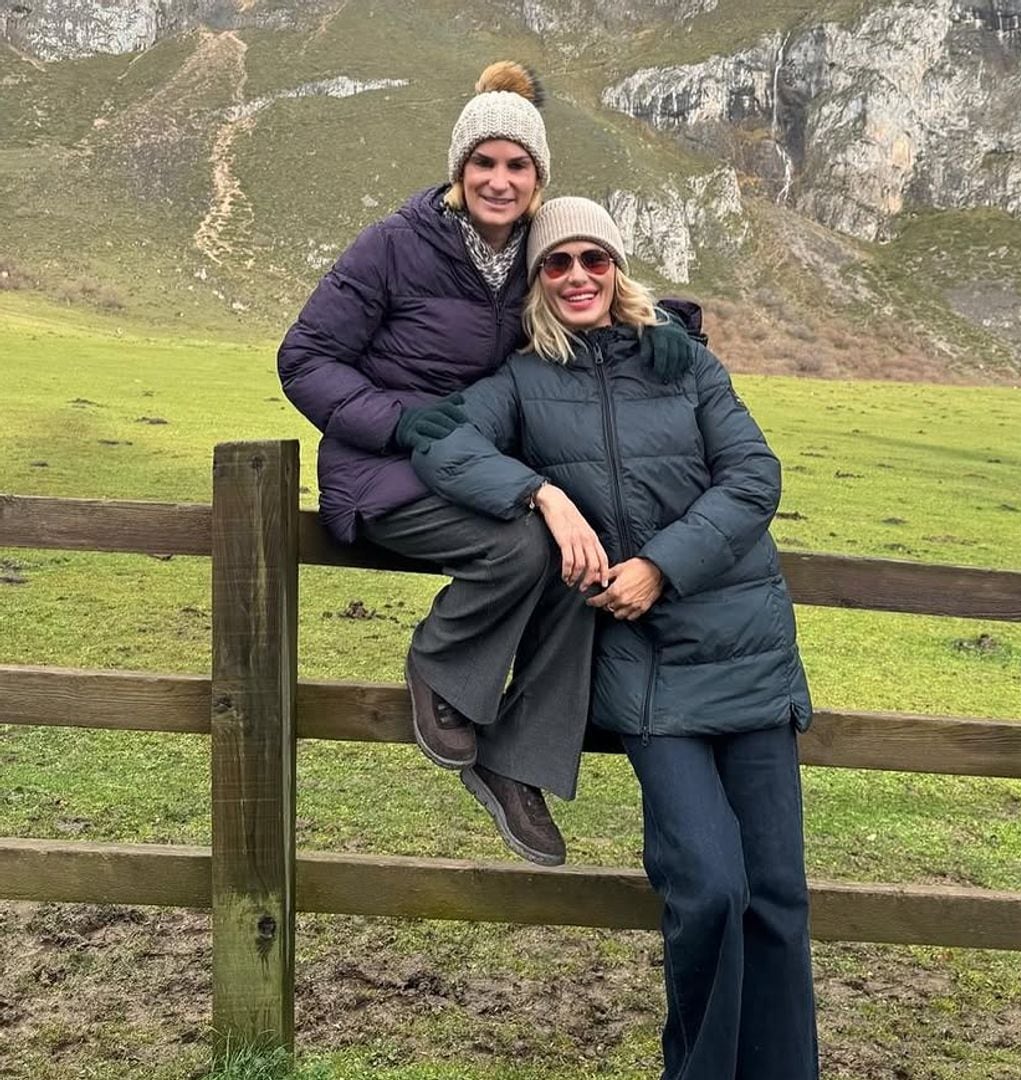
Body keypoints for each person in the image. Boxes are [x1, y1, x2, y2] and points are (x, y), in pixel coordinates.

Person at [409, 197, 819, 1079]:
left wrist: (663, 565)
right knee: (708, 888)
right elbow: (440, 441)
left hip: (746, 654)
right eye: (556, 264)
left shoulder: (686, 364)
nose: (578, 276)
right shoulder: (521, 381)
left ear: (618, 268)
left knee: (776, 897)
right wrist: (541, 496)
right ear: (538, 283)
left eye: (594, 259)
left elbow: (754, 476)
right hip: (643, 678)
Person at [278, 64, 692, 868]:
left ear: (538, 179)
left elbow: (587, 284)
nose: (499, 181)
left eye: (517, 166)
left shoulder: (533, 249)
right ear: (458, 170)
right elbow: (306, 357)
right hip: (388, 469)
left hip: (481, 470)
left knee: (584, 557)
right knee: (526, 548)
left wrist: (669, 325)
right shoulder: (398, 245)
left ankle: (517, 766)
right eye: (484, 163)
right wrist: (399, 421)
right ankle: (439, 666)